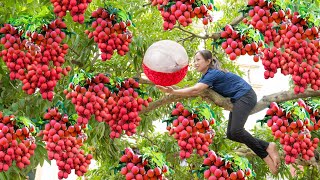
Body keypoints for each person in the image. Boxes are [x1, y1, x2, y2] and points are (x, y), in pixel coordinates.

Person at [156, 49, 280, 174]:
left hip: (245, 96)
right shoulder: (207, 76)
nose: (195, 63)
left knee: (237, 130)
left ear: (208, 61)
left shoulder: (212, 74)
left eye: (198, 60)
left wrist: (173, 91)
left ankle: (265, 155)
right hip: (237, 99)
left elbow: (194, 90)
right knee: (231, 134)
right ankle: (267, 145)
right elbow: (196, 88)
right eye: (194, 60)